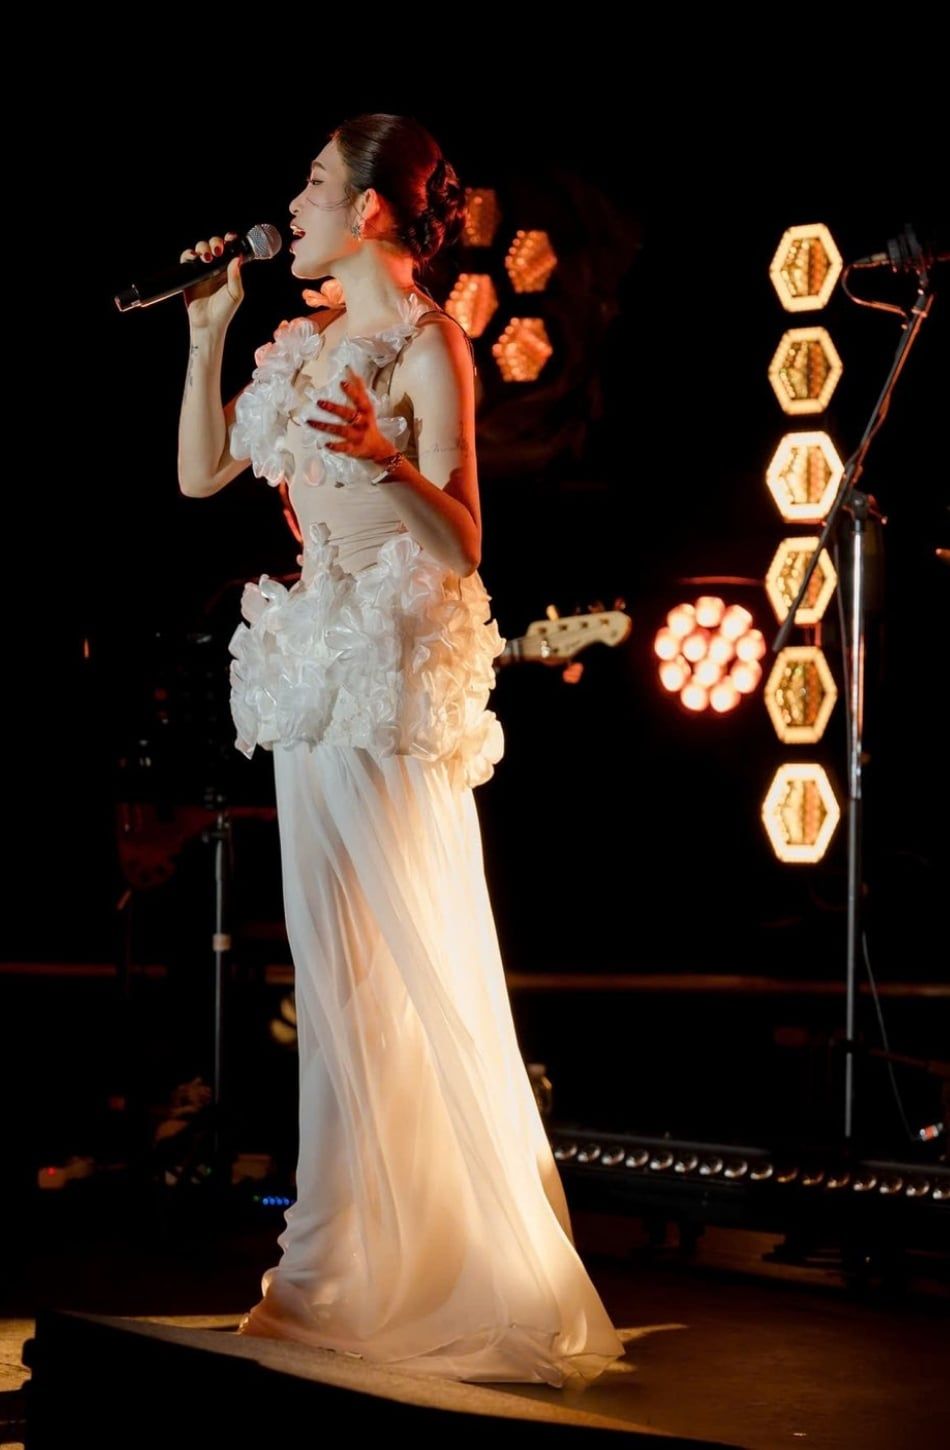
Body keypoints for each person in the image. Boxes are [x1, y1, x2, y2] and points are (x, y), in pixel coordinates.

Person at [176, 112, 626, 1387]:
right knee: (329, 974)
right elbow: (201, 473)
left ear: (371, 209)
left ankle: (367, 1270)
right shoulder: (304, 339)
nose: (295, 204)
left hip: (385, 663)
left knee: (400, 964)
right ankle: (340, 1264)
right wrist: (207, 333)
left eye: (315, 183)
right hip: (312, 661)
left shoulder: (429, 345)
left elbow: (465, 541)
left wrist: (384, 462)